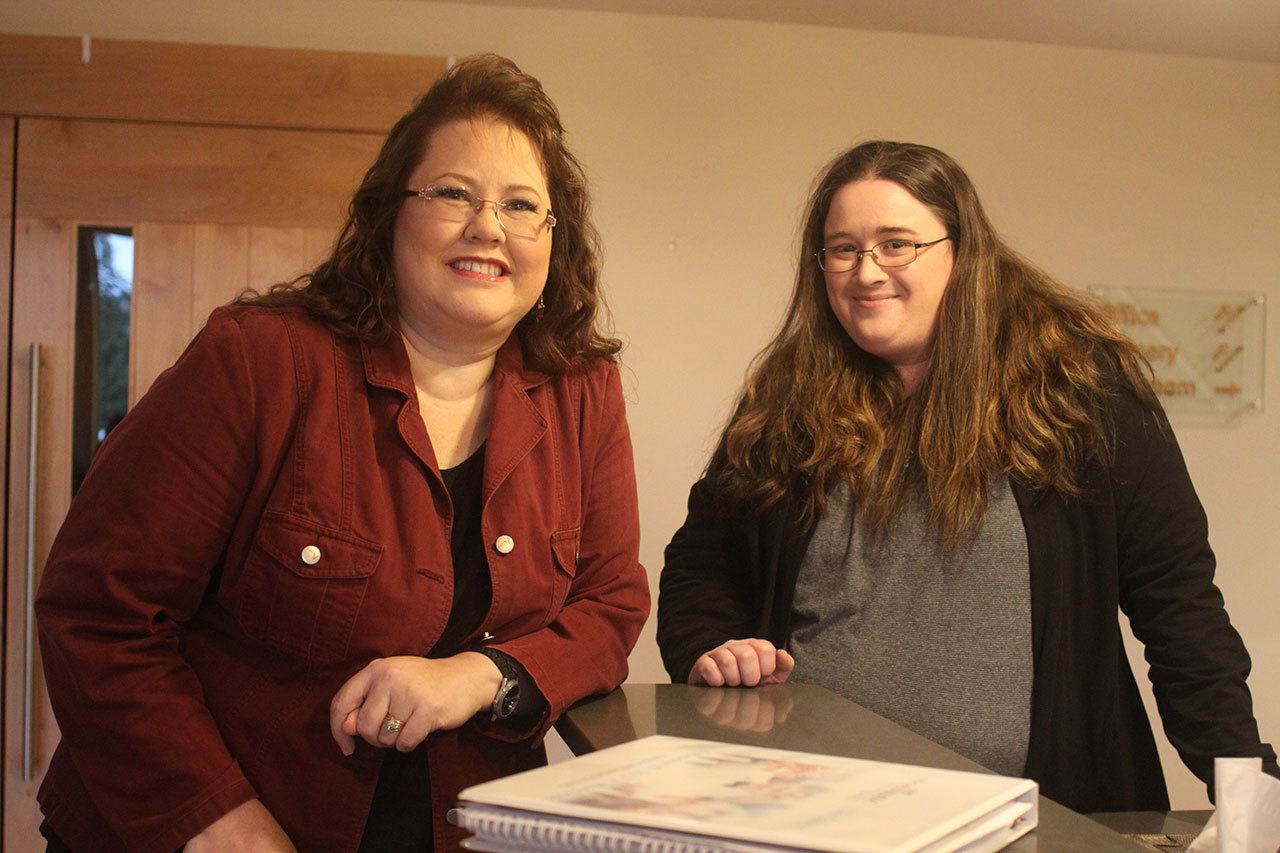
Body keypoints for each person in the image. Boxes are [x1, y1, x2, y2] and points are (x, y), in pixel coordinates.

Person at [35, 54, 649, 852]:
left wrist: (481, 675)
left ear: (552, 238)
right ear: (391, 214)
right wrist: (217, 820)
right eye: (454, 193)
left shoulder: (582, 390)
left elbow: (610, 604)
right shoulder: (259, 361)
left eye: (522, 205)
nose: (488, 227)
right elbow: (99, 611)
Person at [657, 140, 1275, 813]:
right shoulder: (784, 400)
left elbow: (1179, 605)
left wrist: (1249, 791)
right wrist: (709, 647)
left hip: (1035, 821)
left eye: (897, 244)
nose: (866, 272)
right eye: (842, 249)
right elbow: (700, 565)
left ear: (962, 250)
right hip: (811, 813)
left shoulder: (1080, 390)